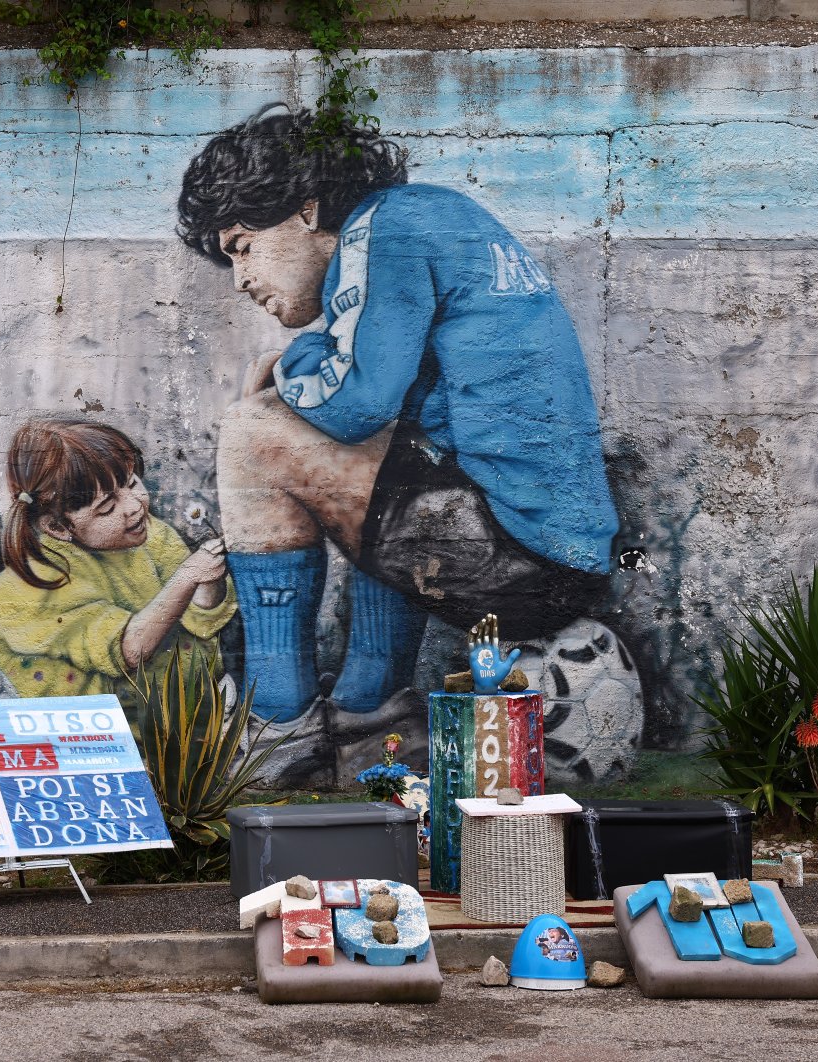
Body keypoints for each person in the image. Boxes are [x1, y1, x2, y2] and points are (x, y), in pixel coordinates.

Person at [177, 104, 620, 783]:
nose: (239, 279)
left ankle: (278, 725)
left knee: (252, 434)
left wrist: (292, 367)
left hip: (513, 549)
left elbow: (356, 403)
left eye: (241, 246)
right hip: (557, 552)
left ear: (304, 208)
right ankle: (370, 716)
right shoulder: (431, 219)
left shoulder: (386, 230)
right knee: (383, 454)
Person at [0, 419, 236, 710]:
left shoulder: (152, 535)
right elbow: (131, 650)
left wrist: (207, 580)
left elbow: (199, 618)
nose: (134, 506)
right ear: (58, 528)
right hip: (23, 689)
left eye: (133, 483)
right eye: (107, 507)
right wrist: (187, 578)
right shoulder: (49, 575)